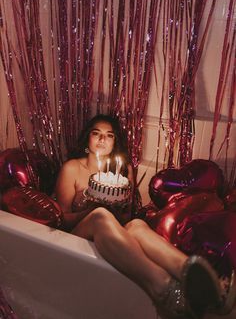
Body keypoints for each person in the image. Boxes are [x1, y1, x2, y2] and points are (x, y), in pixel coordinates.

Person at [55, 114, 235, 319]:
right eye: (96, 134)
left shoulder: (122, 170)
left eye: (109, 135)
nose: (102, 140)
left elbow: (125, 217)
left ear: (115, 142)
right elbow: (62, 219)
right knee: (100, 215)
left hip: (109, 232)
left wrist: (117, 208)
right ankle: (163, 288)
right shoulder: (72, 168)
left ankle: (199, 279)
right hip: (76, 235)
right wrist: (92, 209)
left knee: (138, 225)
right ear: (88, 138)